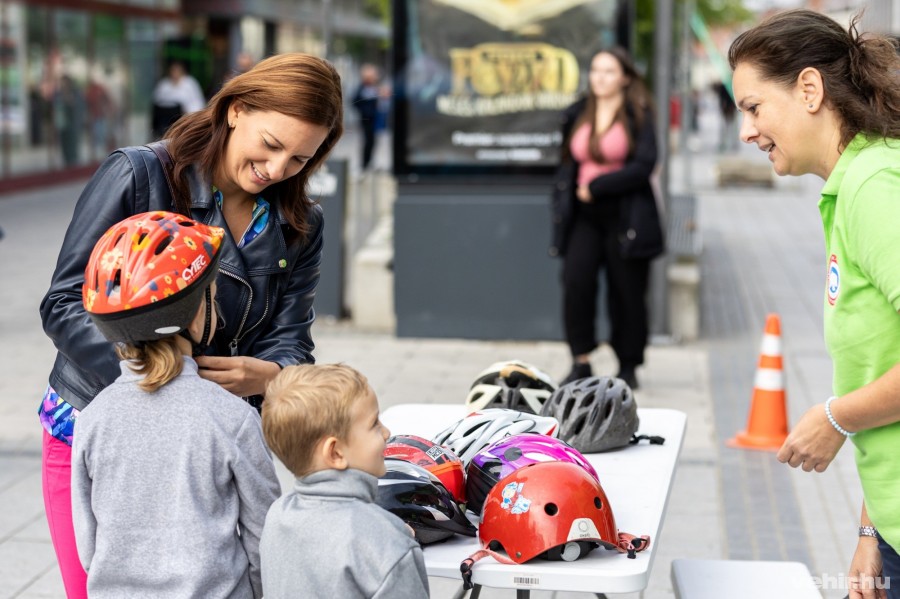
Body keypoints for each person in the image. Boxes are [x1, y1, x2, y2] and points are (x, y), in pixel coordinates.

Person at [39, 52, 343, 597]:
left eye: (300, 159)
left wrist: (268, 375)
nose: (276, 171)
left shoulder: (302, 223)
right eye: (271, 145)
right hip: (99, 423)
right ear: (236, 110)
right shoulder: (139, 173)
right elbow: (64, 301)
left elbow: (293, 339)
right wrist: (155, 380)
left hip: (207, 447)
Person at [728, 9, 900, 599]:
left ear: (809, 89)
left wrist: (835, 417)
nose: (747, 132)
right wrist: (870, 527)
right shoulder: (851, 184)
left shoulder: (874, 187)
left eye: (753, 108)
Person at [72, 211, 281, 598]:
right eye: (213, 297)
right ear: (195, 313)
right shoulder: (231, 417)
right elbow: (266, 537)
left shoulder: (93, 419)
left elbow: (88, 543)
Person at [260, 363, 429, 599]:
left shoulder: (277, 516)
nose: (387, 432)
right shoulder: (387, 545)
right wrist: (391, 540)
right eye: (374, 424)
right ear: (336, 453)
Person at [550, 47, 663, 390]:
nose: (599, 77)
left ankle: (628, 365)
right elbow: (566, 162)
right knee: (576, 283)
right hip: (583, 216)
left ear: (625, 77)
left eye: (609, 71)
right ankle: (580, 360)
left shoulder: (638, 114)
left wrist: (597, 185)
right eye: (596, 70)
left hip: (625, 214)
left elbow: (644, 166)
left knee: (626, 292)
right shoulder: (577, 113)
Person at [151, 60, 206, 139]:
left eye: (177, 70)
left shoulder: (190, 83)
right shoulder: (164, 84)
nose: (175, 73)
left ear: (182, 71)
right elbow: (156, 102)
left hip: (185, 118)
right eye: (173, 70)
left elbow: (198, 102)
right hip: (165, 122)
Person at [353, 63, 380, 171]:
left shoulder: (373, 88)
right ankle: (365, 163)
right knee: (368, 141)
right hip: (367, 119)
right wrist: (365, 111)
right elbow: (356, 101)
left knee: (373, 141)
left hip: (374, 119)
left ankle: (369, 162)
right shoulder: (362, 88)